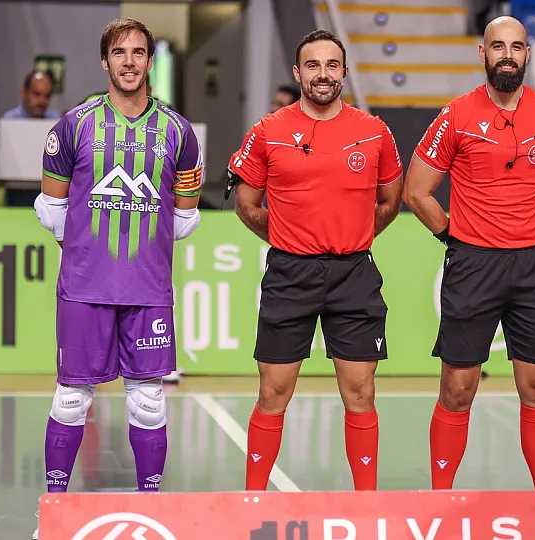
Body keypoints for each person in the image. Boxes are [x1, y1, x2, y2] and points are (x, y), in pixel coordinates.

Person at [33, 17, 203, 537]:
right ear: (105, 62)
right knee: (70, 399)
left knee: (149, 402)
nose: (129, 61)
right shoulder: (73, 125)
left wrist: (138, 253)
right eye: (119, 53)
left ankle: (151, 509)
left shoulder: (179, 133)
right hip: (84, 290)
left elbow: (184, 217)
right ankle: (55, 515)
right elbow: (50, 207)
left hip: (148, 292)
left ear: (151, 62)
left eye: (139, 52)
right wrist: (90, 250)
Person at [404, 16, 535, 490]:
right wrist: (455, 235)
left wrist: (526, 231)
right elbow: (417, 192)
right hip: (472, 266)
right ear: (481, 53)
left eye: (517, 47)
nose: (508, 54)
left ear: (528, 54)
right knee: (458, 389)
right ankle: (439, 500)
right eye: (498, 46)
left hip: (532, 267)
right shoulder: (456, 115)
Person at [231, 29, 403, 492]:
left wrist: (355, 235)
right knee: (273, 392)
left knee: (361, 392)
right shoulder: (268, 130)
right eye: (313, 65)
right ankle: (253, 500)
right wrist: (290, 238)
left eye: (331, 65)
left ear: (343, 72)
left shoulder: (373, 131)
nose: (323, 74)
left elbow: (390, 200)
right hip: (290, 274)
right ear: (297, 72)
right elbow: (246, 203)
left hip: (354, 274)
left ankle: (365, 503)